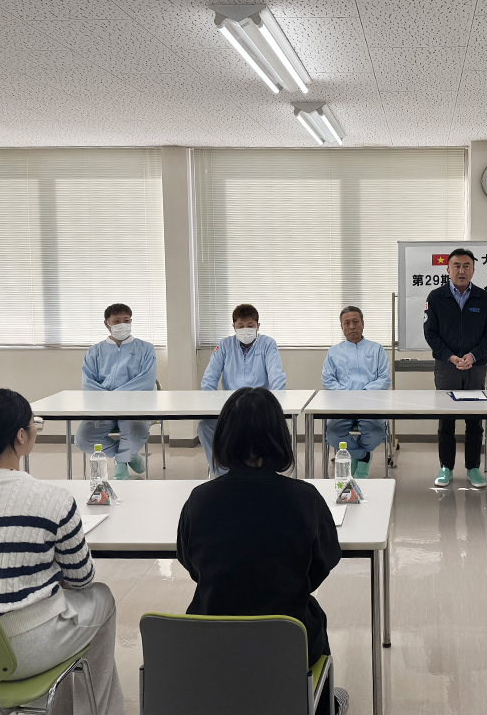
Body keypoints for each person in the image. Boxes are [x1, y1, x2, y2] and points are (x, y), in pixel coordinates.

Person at [0, 389, 124, 715]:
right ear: (21, 436)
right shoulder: (53, 499)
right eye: (34, 423)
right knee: (101, 597)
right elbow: (82, 579)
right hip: (21, 650)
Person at [176, 387, 347, 714]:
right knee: (310, 613)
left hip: (211, 644)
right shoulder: (305, 498)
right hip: (286, 644)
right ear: (280, 438)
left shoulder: (199, 500)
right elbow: (323, 563)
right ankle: (320, 704)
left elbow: (191, 564)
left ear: (222, 438)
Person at [423, 248, 487, 488]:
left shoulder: (483, 298)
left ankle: (473, 468)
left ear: (473, 270)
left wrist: (473, 356)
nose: (461, 270)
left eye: (467, 266)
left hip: (475, 367)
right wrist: (450, 357)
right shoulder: (436, 297)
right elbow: (430, 333)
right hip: (447, 367)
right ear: (448, 269)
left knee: (474, 421)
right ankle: (446, 467)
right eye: (457, 266)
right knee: (446, 420)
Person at [199, 303, 287, 477]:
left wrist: (273, 405)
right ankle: (222, 474)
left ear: (258, 326)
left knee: (272, 428)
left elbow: (277, 376)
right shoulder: (225, 345)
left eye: (250, 326)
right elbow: (209, 378)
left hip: (259, 408)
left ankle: (262, 473)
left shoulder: (268, 344)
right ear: (233, 326)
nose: (245, 330)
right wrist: (213, 405)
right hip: (230, 408)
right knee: (204, 427)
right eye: (240, 326)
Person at [75, 302, 157, 480]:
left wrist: (117, 397)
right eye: (117, 321)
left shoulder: (146, 349)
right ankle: (128, 456)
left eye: (126, 320)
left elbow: (146, 381)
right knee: (83, 438)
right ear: (107, 323)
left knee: (136, 431)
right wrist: (109, 400)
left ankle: (121, 464)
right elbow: (88, 383)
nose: (122, 325)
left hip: (135, 406)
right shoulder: (94, 352)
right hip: (104, 408)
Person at [322, 305, 391, 480]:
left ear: (363, 324)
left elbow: (385, 379)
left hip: (370, 404)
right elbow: (328, 380)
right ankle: (363, 456)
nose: (352, 326)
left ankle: (355, 456)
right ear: (341, 327)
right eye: (347, 323)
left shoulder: (376, 349)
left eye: (356, 322)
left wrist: (364, 394)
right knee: (332, 434)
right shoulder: (334, 352)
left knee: (375, 433)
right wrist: (348, 395)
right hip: (342, 405)